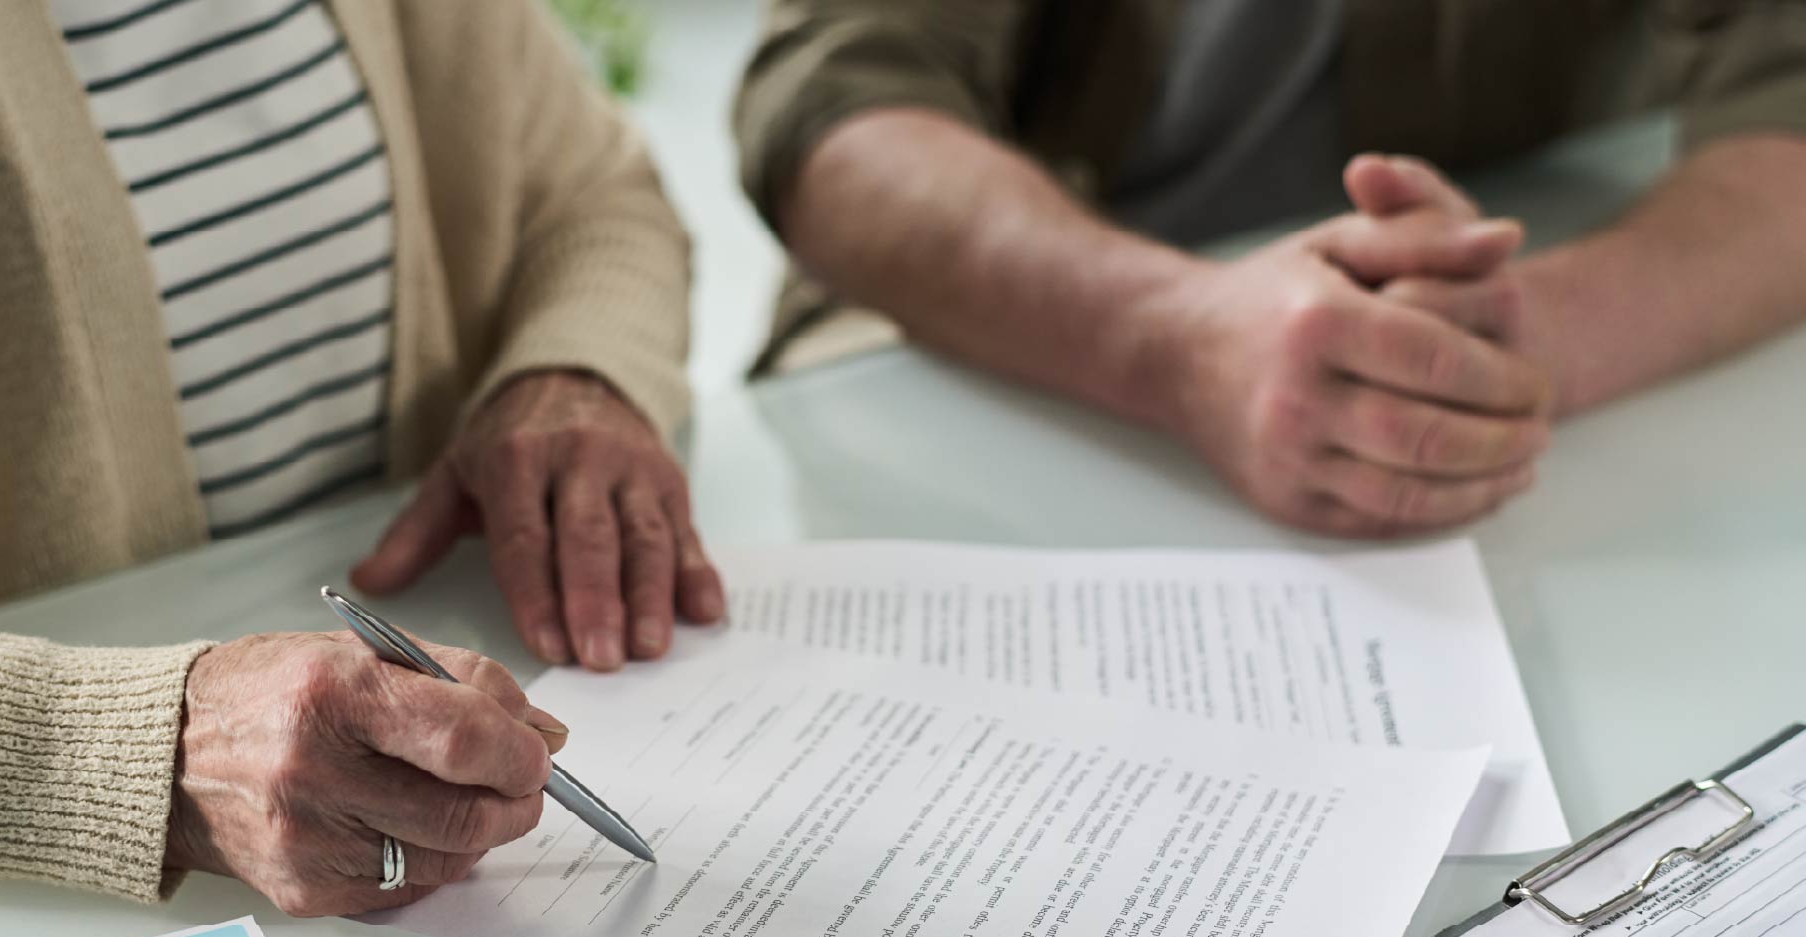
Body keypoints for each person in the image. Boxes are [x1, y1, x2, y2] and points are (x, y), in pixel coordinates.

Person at [0, 1, 721, 915]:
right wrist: (139, 750)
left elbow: (596, 193)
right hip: (30, 917)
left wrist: (572, 372)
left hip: (444, 712)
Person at [733, 1, 1806, 536]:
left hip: (1491, 404)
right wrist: (1176, 337)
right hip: (981, 363)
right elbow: (836, 110)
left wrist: (1514, 343)